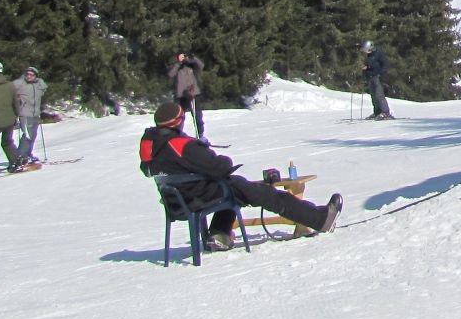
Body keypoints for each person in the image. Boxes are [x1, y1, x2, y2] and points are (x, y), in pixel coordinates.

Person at [138, 102, 342, 249]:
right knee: (256, 191)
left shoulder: (149, 144)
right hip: (198, 198)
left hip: (177, 202)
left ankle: (219, 234)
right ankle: (320, 219)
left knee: (234, 187)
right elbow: (220, 167)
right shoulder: (182, 145)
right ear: (178, 122)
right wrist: (201, 148)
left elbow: (148, 169)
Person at [12, 66, 47, 166]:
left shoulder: (38, 84)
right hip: (25, 114)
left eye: (31, 75)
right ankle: (20, 157)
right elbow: (11, 89)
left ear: (35, 76)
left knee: (33, 135)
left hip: (35, 114)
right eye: (27, 74)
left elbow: (43, 89)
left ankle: (27, 154)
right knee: (27, 136)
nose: (29, 76)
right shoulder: (20, 83)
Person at [166, 52, 206, 138]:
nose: (183, 58)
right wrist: (179, 63)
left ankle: (200, 134)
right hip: (180, 95)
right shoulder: (175, 65)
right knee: (178, 116)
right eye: (181, 56)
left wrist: (194, 58)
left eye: (184, 56)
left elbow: (201, 66)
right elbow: (171, 74)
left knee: (197, 115)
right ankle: (177, 134)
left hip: (193, 93)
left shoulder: (191, 65)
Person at [362, 40, 394, 120]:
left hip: (378, 77)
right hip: (371, 77)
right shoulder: (369, 56)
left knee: (379, 95)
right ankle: (377, 112)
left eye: (368, 50)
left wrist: (381, 74)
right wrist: (366, 68)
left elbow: (385, 64)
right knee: (373, 95)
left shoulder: (378, 53)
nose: (367, 52)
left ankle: (385, 112)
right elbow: (370, 65)